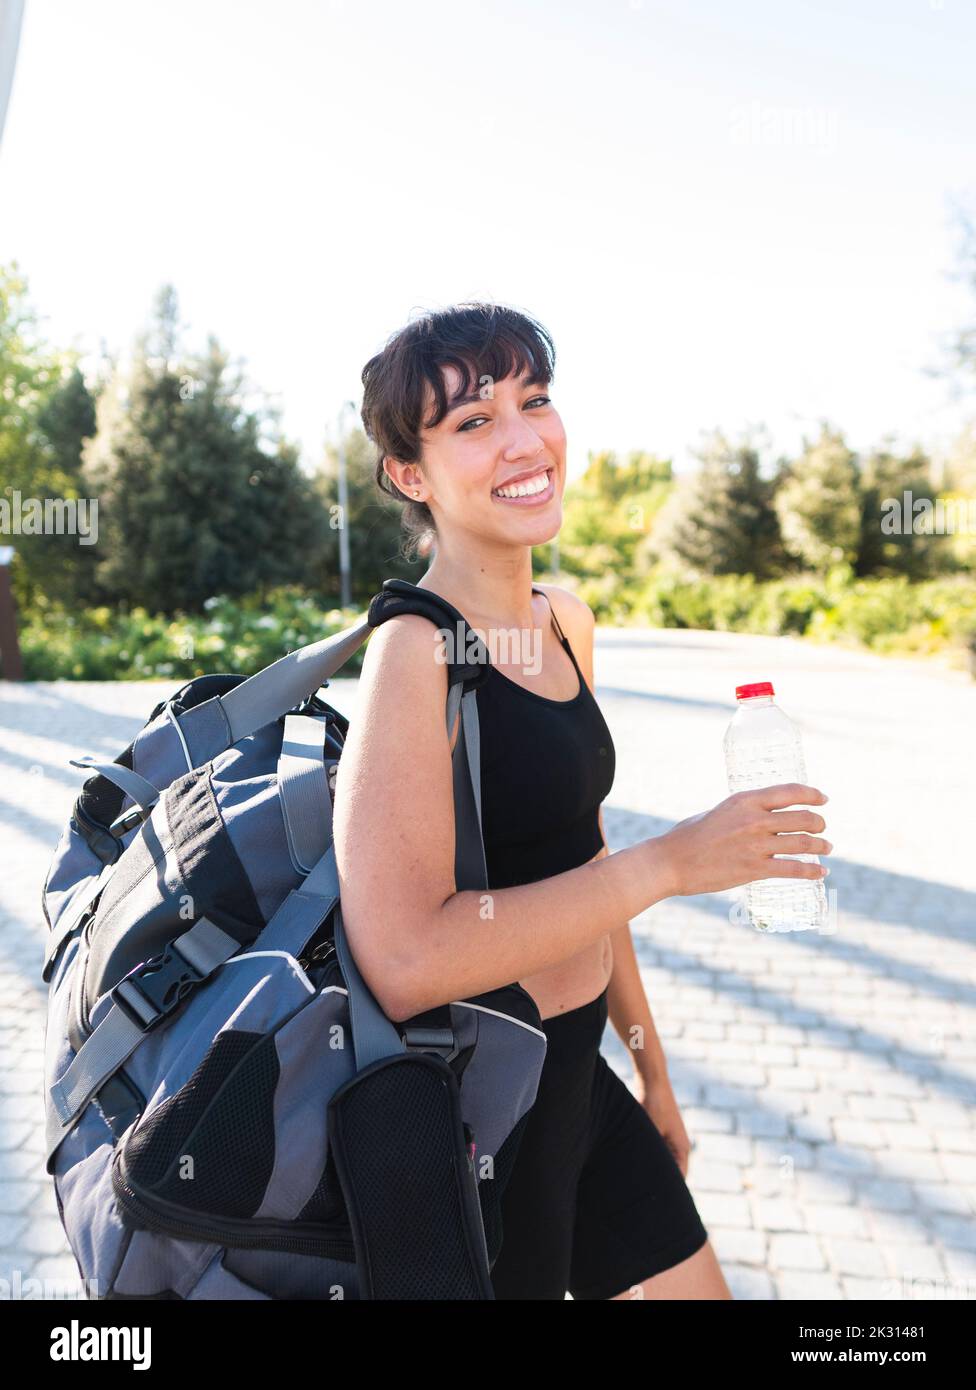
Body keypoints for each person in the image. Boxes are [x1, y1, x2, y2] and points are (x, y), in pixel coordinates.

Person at [333, 302, 832, 1300]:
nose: (524, 440)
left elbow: (586, 862)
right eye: (472, 422)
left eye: (536, 400)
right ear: (408, 473)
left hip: (581, 1075)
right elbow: (402, 958)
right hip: (482, 1109)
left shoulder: (563, 620)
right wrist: (673, 864)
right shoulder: (414, 651)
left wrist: (650, 1066)